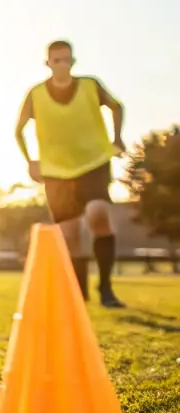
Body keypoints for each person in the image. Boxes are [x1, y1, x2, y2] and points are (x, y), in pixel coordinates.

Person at [15, 39, 126, 307]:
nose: (62, 64)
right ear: (48, 63)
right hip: (55, 171)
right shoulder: (36, 94)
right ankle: (80, 292)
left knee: (98, 215)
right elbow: (18, 129)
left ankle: (106, 289)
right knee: (71, 233)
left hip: (93, 162)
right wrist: (31, 161)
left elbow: (116, 106)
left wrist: (117, 138)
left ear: (73, 62)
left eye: (67, 59)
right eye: (57, 60)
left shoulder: (90, 85)